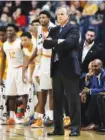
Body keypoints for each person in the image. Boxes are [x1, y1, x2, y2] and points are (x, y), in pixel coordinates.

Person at [34, 6, 81, 136]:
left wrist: (55, 42)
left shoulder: (73, 28)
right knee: (57, 99)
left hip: (70, 68)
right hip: (56, 68)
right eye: (58, 14)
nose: (59, 16)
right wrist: (59, 41)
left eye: (62, 14)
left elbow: (70, 43)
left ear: (68, 15)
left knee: (72, 100)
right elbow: (45, 44)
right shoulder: (54, 29)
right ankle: (58, 128)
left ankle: (75, 127)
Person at [23, 11, 55, 128]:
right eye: (40, 17)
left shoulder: (54, 28)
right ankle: (40, 117)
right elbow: (38, 47)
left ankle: (50, 117)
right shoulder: (40, 29)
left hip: (51, 61)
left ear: (49, 18)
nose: (41, 19)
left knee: (50, 91)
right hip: (43, 62)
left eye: (44, 17)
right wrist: (29, 61)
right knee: (42, 91)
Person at [0, 24, 29, 125]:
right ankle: (12, 117)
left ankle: (26, 116)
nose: (9, 32)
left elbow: (27, 56)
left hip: (21, 69)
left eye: (11, 30)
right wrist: (0, 76)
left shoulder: (20, 42)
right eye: (7, 30)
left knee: (24, 94)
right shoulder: (4, 45)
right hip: (10, 71)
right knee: (10, 94)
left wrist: (25, 71)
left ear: (16, 31)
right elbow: (3, 61)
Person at [80, 59, 105, 131]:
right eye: (92, 66)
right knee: (82, 96)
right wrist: (84, 93)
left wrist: (90, 91)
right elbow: (93, 87)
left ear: (101, 66)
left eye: (96, 66)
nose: (93, 68)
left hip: (101, 95)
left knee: (97, 97)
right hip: (99, 94)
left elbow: (103, 88)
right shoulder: (95, 75)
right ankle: (83, 122)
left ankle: (94, 122)